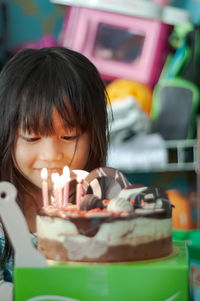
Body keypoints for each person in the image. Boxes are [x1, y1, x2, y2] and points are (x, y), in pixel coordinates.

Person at [0, 46, 109, 282]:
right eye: (32, 137)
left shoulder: (111, 204)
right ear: (7, 135)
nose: (51, 155)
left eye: (69, 137)